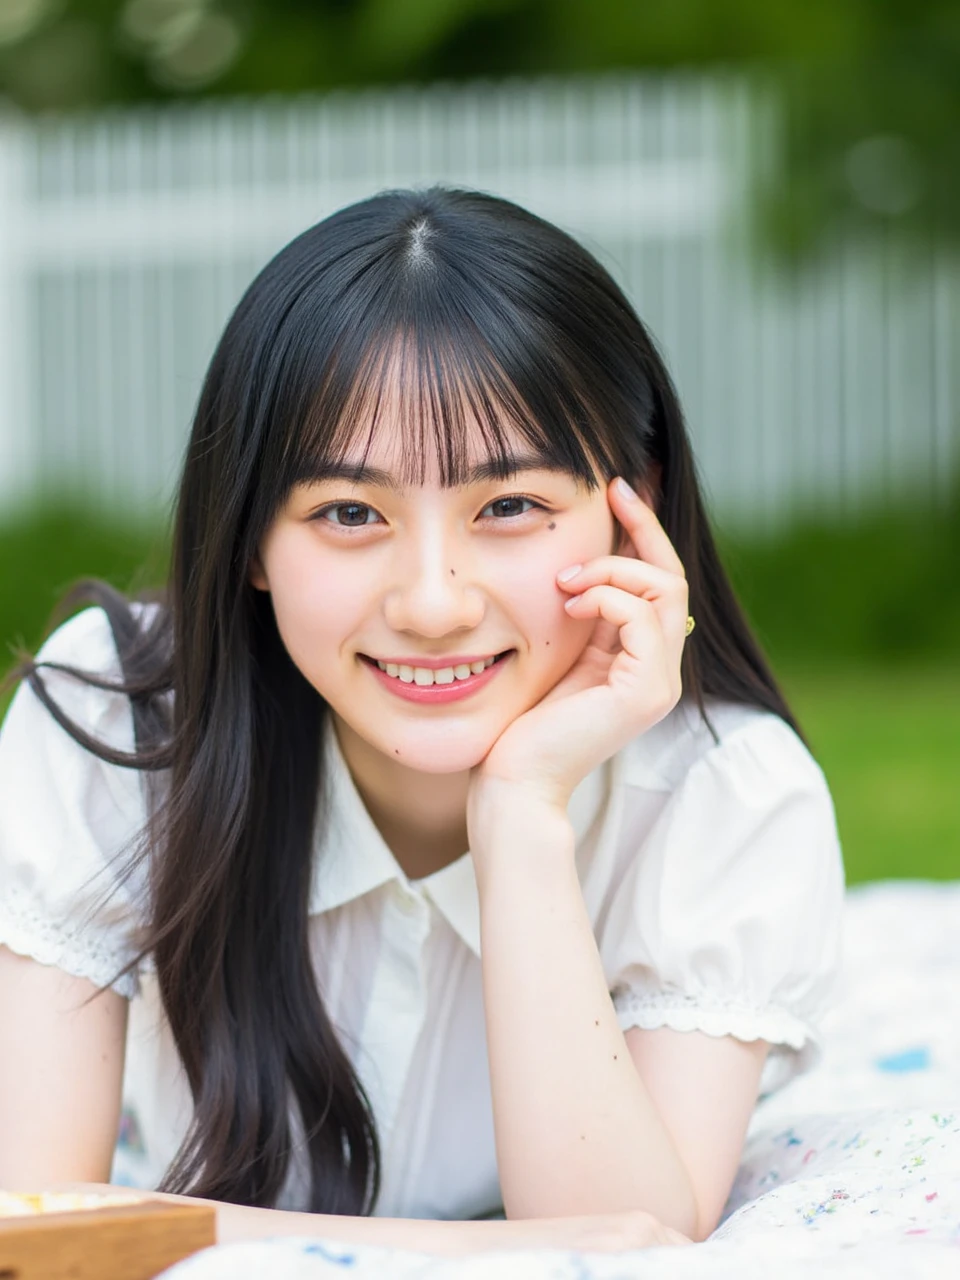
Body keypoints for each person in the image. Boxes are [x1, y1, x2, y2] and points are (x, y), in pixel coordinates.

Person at [0, 187, 843, 1257]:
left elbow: (632, 1245)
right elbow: (38, 1232)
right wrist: (467, 1255)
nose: (434, 602)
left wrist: (524, 814)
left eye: (509, 507)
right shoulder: (119, 722)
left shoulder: (727, 796)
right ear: (250, 535)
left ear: (637, 507)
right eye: (349, 513)